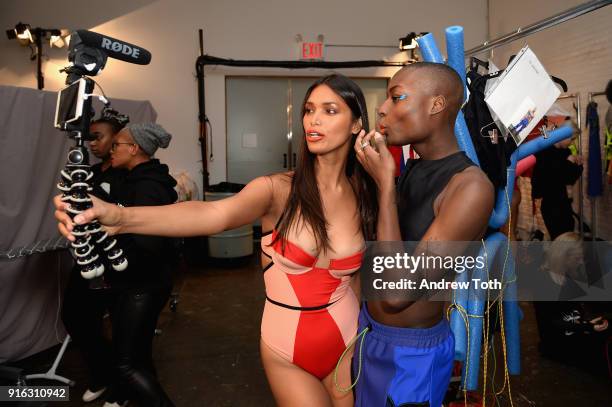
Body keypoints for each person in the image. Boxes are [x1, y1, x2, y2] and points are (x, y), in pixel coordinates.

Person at [54, 74, 378, 406]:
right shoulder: (278, 189)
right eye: (309, 110)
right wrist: (119, 218)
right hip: (289, 349)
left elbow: (355, 279)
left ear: (356, 124)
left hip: (348, 339)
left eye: (330, 110)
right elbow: (210, 214)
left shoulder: (364, 192)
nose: (314, 119)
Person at [353, 62, 494, 407]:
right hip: (367, 333)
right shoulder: (413, 169)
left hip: (410, 356)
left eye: (397, 97)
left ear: (436, 105)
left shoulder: (470, 186)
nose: (383, 109)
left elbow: (398, 295)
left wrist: (385, 185)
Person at [97, 122, 179, 407]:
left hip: (143, 284)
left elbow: (149, 246)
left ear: (134, 149)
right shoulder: (131, 178)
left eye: (117, 144)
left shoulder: (148, 187)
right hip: (134, 282)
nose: (111, 150)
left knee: (125, 364)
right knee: (139, 358)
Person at [60, 108, 128, 404]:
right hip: (88, 258)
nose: (91, 143)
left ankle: (121, 386)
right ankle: (103, 373)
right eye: (89, 137)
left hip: (115, 261)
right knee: (74, 317)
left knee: (122, 327)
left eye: (97, 137)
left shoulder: (127, 174)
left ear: (117, 140)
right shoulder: (88, 171)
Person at [531, 119, 583, 240]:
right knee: (560, 238)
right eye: (572, 139)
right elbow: (549, 177)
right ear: (564, 135)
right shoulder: (545, 150)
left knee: (568, 231)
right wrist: (568, 163)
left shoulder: (566, 151)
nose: (571, 143)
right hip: (550, 203)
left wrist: (578, 164)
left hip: (562, 200)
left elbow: (570, 179)